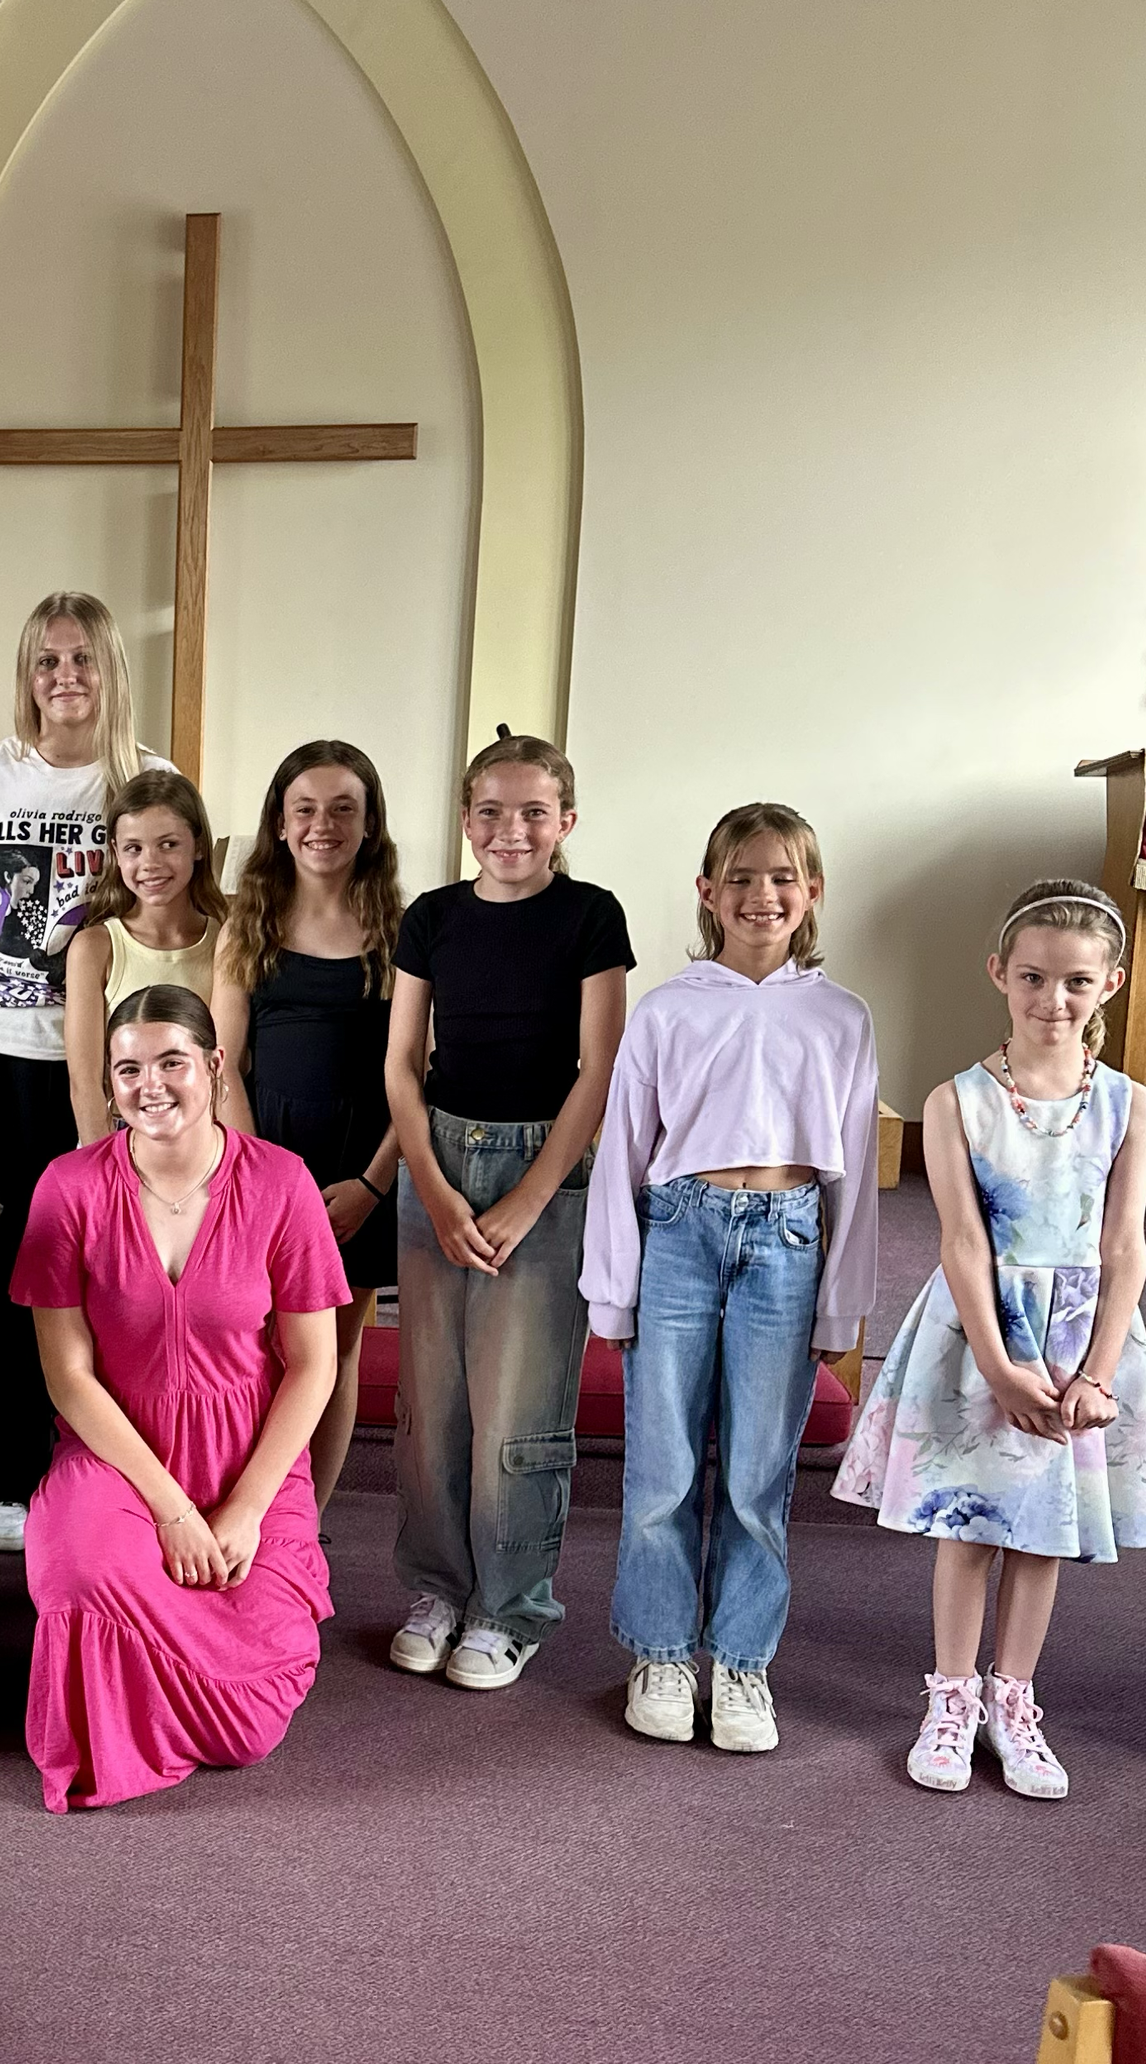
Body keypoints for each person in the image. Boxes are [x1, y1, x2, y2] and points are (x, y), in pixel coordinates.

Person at [836, 877, 1146, 1802]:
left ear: (1111, 983)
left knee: (1042, 1532)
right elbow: (962, 1240)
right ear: (999, 975)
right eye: (1032, 977)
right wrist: (996, 1364)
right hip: (982, 1325)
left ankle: (1012, 1701)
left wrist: (1096, 1372)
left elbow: (1125, 1243)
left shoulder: (1131, 1107)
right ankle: (950, 1697)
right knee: (974, 1522)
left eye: (1073, 982)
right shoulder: (958, 1102)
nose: (1051, 1000)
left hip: (1080, 1337)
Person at [582, 805, 879, 1755]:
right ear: (707, 893)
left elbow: (860, 1169)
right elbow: (624, 1148)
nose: (763, 894)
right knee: (664, 1463)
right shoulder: (670, 1008)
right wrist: (613, 1287)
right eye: (741, 877)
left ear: (814, 893)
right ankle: (663, 1650)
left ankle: (742, 1659)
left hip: (787, 1241)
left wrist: (843, 1298)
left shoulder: (841, 1017)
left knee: (758, 1472)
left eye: (783, 876)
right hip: (680, 1232)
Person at [14, 987, 346, 1812]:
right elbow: (68, 1377)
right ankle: (130, 1693)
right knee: (79, 1576)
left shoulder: (283, 1183)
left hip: (246, 1457)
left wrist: (242, 1510)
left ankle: (159, 1689)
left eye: (171, 1062)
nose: (150, 1084)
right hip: (117, 1455)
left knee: (249, 1723)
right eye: (128, 1068)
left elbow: (313, 1367)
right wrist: (169, 1507)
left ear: (214, 1066)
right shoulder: (68, 1186)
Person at [383, 725, 632, 1692]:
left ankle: (509, 1603)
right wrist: (435, 1188)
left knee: (517, 1412)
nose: (511, 829)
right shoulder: (434, 916)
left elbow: (598, 1068)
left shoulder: (591, 917)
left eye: (534, 811)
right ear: (465, 820)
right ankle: (440, 1585)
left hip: (544, 1161)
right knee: (431, 1404)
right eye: (490, 810)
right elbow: (403, 1065)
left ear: (566, 820)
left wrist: (531, 1198)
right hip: (437, 1154)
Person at [0, 592, 166, 1551]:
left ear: (111, 670)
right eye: (47, 661)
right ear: (27, 676)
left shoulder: (149, 780)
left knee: (86, 1265)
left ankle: (86, 1466)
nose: (65, 678)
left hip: (98, 1067)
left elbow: (168, 910)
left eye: (83, 659)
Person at [213, 739, 402, 1521]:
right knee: (261, 1348)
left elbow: (419, 1074)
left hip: (361, 1174)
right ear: (281, 825)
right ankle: (247, 1502)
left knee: (336, 1349)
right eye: (306, 809)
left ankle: (304, 1526)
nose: (323, 824)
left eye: (342, 808)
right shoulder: (247, 923)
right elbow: (223, 1066)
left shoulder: (400, 927)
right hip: (266, 1170)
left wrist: (371, 1184)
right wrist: (262, 1186)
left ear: (368, 826)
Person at [61, 766, 225, 1145]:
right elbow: (85, 1082)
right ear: (116, 853)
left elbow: (226, 1066)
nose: (150, 863)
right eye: (134, 848)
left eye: (168, 844)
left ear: (198, 846)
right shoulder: (95, 947)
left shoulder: (225, 941)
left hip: (205, 1137)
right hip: (122, 1135)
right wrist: (105, 1167)